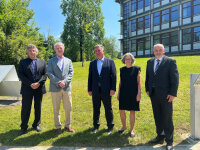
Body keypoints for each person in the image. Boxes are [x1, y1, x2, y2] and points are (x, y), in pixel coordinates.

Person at [145, 44, 179, 150]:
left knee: (167, 118)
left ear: (164, 51)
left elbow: (175, 79)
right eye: (156, 50)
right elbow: (148, 77)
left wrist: (173, 93)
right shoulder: (150, 62)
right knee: (157, 116)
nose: (158, 52)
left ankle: (169, 141)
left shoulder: (170, 61)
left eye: (160, 50)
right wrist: (147, 89)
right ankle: (160, 136)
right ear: (153, 51)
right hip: (153, 94)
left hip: (166, 95)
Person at [18, 44, 47, 136]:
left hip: (39, 88)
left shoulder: (42, 62)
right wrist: (30, 84)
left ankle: (36, 125)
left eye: (33, 50)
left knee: (38, 107)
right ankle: (23, 127)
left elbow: (45, 74)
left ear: (36, 52)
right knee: (26, 108)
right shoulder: (23, 62)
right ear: (27, 52)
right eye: (30, 51)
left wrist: (38, 83)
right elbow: (21, 75)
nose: (32, 52)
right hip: (27, 88)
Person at [88, 45, 116, 135]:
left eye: (99, 50)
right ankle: (96, 126)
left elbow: (114, 76)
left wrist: (113, 88)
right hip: (95, 90)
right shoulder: (92, 63)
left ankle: (110, 126)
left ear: (103, 51)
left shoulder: (110, 62)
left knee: (108, 108)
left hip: (107, 90)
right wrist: (89, 89)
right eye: (95, 51)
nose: (97, 52)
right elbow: (90, 77)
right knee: (96, 108)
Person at [47, 42, 74, 135]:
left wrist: (65, 82)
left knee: (68, 107)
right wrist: (59, 82)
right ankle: (58, 126)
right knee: (56, 108)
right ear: (55, 49)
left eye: (61, 48)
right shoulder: (51, 61)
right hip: (55, 88)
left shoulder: (69, 61)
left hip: (66, 87)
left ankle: (68, 125)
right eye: (57, 48)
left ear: (64, 49)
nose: (59, 49)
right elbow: (49, 73)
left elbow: (71, 73)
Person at [117, 53, 141, 137]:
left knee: (132, 111)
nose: (127, 60)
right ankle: (123, 126)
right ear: (124, 60)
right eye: (126, 59)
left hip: (133, 93)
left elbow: (139, 82)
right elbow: (120, 82)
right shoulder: (121, 69)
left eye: (129, 59)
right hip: (123, 92)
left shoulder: (137, 69)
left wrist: (139, 94)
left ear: (132, 60)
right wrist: (118, 93)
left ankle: (131, 130)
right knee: (121, 110)